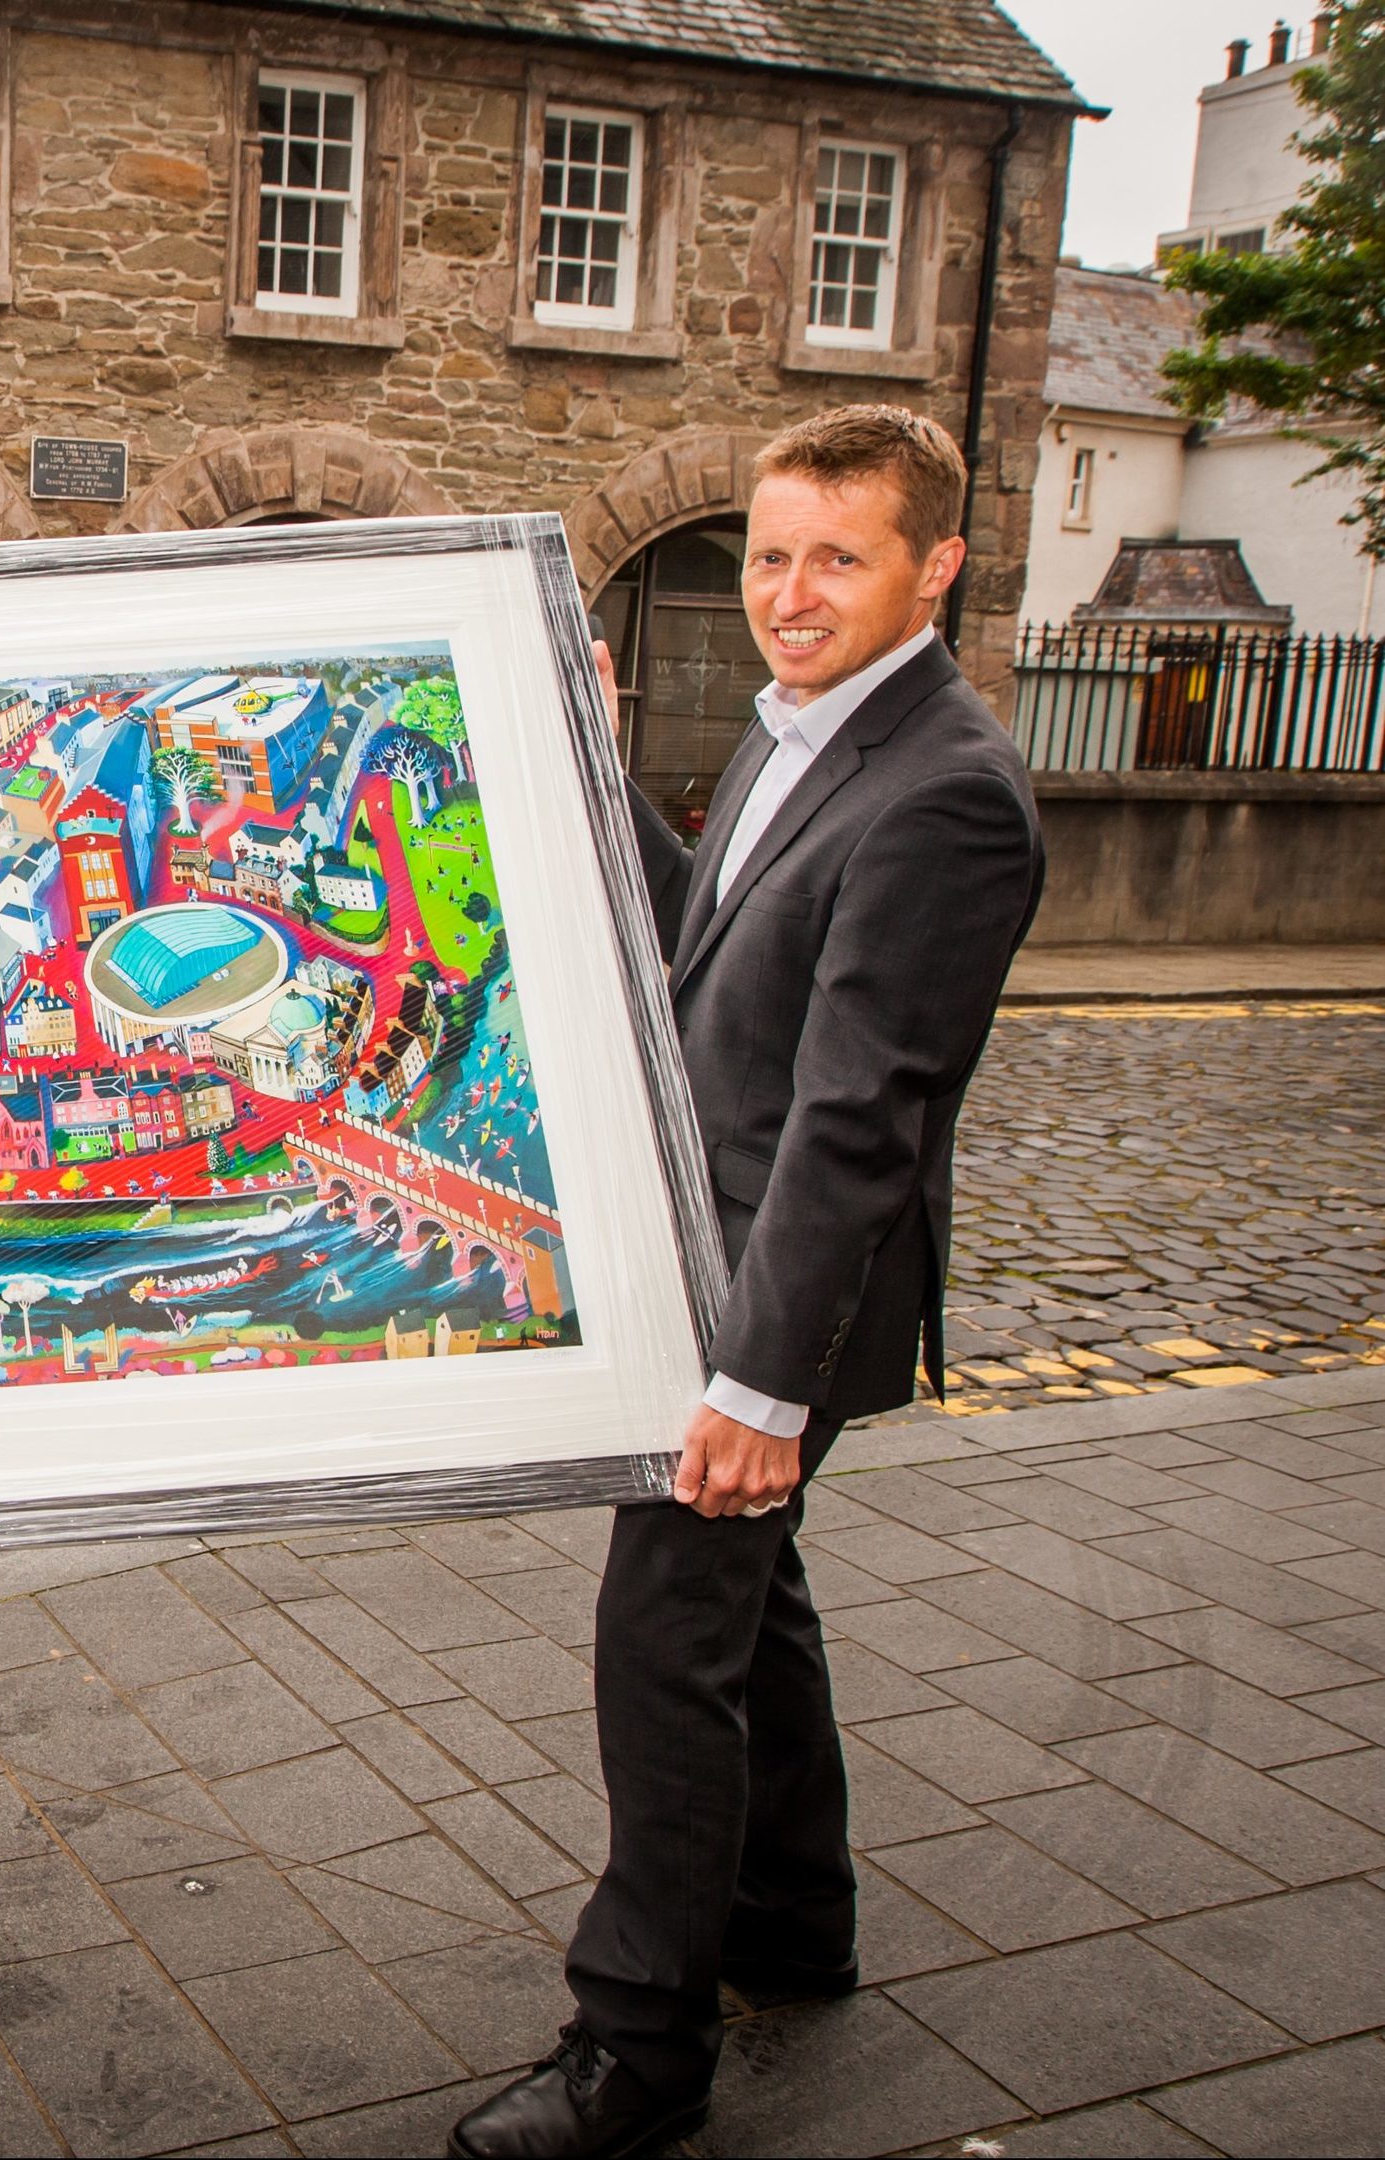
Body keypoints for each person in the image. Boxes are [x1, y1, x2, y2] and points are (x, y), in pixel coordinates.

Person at [451, 408, 1044, 2158]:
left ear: (934, 567)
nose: (790, 593)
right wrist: (581, 753)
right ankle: (795, 1922)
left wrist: (756, 1392)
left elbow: (862, 1120)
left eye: (838, 557)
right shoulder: (810, 733)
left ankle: (639, 2054)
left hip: (782, 1299)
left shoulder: (945, 792)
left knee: (664, 1642)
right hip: (716, 1259)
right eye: (771, 556)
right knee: (749, 1612)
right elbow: (700, 940)